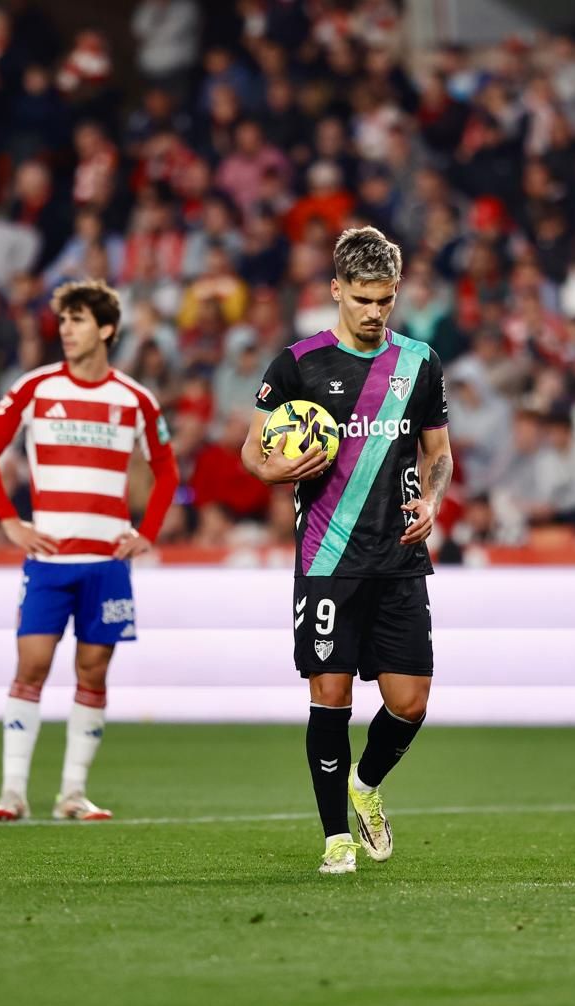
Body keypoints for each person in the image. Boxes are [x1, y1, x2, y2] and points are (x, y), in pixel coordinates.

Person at [240, 227, 453, 875]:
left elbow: (438, 455)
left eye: (384, 300)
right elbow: (254, 451)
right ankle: (336, 838)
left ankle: (364, 783)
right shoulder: (299, 364)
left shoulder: (420, 363)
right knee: (329, 695)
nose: (373, 312)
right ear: (335, 290)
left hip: (400, 558)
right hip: (328, 558)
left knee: (411, 703)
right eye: (361, 299)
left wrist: (434, 500)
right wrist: (276, 473)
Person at [0, 279, 180, 823]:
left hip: (106, 563)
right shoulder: (34, 388)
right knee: (32, 666)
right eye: (63, 321)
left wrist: (148, 530)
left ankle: (72, 793)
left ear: (107, 329)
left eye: (78, 320)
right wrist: (9, 522)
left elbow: (167, 469)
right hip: (48, 559)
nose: (66, 330)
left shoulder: (134, 399)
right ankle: (12, 791)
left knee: (93, 673)